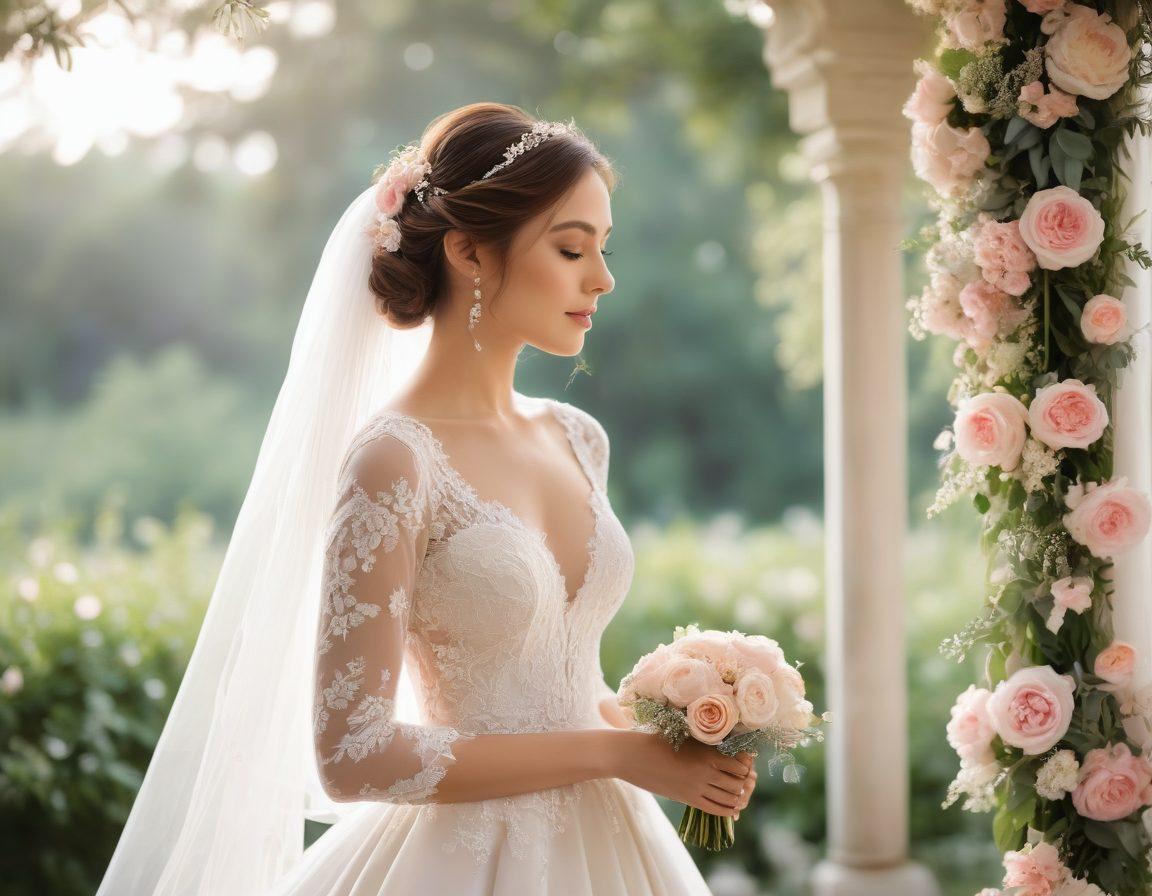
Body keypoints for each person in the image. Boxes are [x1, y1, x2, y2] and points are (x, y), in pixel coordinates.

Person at [96, 101, 756, 896]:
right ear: (470, 252)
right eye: (572, 247)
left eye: (604, 248)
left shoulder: (580, 439)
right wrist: (612, 753)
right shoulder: (393, 461)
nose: (603, 278)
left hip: (611, 851)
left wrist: (665, 728)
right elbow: (352, 754)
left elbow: (552, 677)